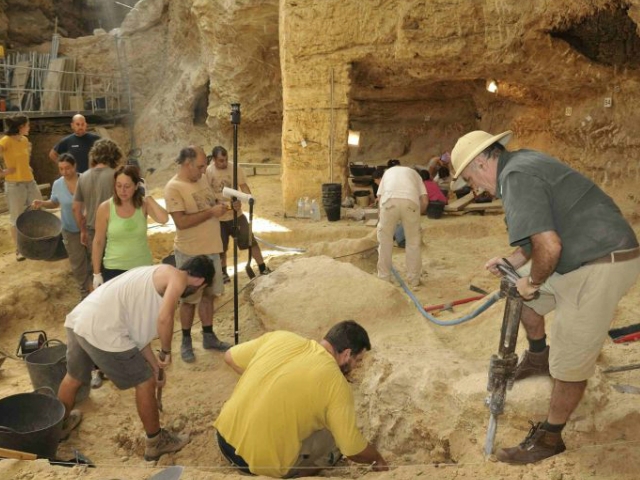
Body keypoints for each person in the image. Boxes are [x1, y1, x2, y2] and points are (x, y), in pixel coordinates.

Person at [451, 130, 640, 465]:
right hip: (582, 253)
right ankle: (538, 355)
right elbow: (536, 239)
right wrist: (511, 264)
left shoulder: (515, 177)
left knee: (568, 361)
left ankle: (550, 438)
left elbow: (549, 247)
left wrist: (533, 281)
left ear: (481, 161)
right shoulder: (520, 165)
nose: (475, 189)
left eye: (470, 178)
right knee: (515, 289)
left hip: (602, 261)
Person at [57, 255, 215, 461]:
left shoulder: (155, 275)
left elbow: (139, 339)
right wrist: (166, 352)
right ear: (200, 281)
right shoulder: (177, 277)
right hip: (104, 329)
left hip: (82, 319)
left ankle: (58, 426)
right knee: (144, 382)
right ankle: (155, 442)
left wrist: (155, 366)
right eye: (201, 289)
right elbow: (165, 318)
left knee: (74, 377)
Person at [214, 320, 389, 478]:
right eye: (357, 360)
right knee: (334, 437)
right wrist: (378, 459)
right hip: (255, 465)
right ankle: (300, 473)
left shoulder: (281, 338)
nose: (357, 366)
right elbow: (351, 448)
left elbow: (229, 356)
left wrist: (267, 384)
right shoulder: (337, 384)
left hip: (223, 440)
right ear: (346, 354)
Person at [163, 146, 232, 363]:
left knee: (209, 295)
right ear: (187, 164)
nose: (204, 171)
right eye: (200, 166)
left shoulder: (201, 180)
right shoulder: (173, 188)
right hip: (190, 252)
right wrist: (211, 212)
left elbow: (209, 204)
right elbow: (181, 222)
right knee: (189, 299)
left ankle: (208, 336)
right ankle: (185, 340)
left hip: (211, 248)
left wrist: (224, 207)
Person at [92, 164, 168, 284]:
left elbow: (164, 219)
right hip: (113, 268)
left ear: (137, 186)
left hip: (142, 267)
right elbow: (98, 241)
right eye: (119, 185)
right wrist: (96, 273)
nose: (122, 191)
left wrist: (148, 196)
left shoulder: (143, 205)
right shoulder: (105, 208)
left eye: (127, 186)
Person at [205, 146, 271, 283]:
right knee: (221, 247)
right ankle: (223, 273)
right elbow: (206, 193)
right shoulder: (208, 171)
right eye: (220, 161)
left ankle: (262, 267)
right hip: (219, 217)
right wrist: (216, 203)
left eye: (226, 160)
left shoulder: (235, 168)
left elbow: (243, 186)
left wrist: (248, 198)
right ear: (214, 160)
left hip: (237, 214)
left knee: (250, 240)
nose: (224, 163)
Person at [32, 153, 90, 297]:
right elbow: (55, 202)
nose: (65, 172)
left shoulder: (86, 180)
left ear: (74, 166)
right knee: (78, 262)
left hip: (90, 227)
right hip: (70, 229)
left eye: (68, 168)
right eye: (61, 169)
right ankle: (85, 292)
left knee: (94, 258)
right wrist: (42, 203)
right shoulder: (58, 184)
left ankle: (99, 289)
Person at [375, 160, 427, 287]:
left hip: (388, 202)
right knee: (413, 242)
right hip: (411, 202)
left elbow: (380, 198)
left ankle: (384, 278)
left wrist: (381, 217)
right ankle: (414, 279)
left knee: (385, 242)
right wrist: (416, 215)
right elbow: (425, 200)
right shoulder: (414, 173)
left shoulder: (387, 173)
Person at [0, 114, 42, 261]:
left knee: (38, 209)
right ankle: (20, 249)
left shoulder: (24, 141)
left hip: (30, 182)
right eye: (27, 125)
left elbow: (24, 159)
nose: (29, 127)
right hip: (15, 185)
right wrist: (3, 172)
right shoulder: (6, 141)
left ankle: (36, 243)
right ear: (20, 127)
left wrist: (28, 168)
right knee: (16, 218)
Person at [73, 138, 122, 255]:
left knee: (97, 268)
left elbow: (75, 208)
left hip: (92, 231)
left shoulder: (83, 177)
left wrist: (83, 230)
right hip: (114, 230)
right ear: (114, 156)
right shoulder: (116, 176)